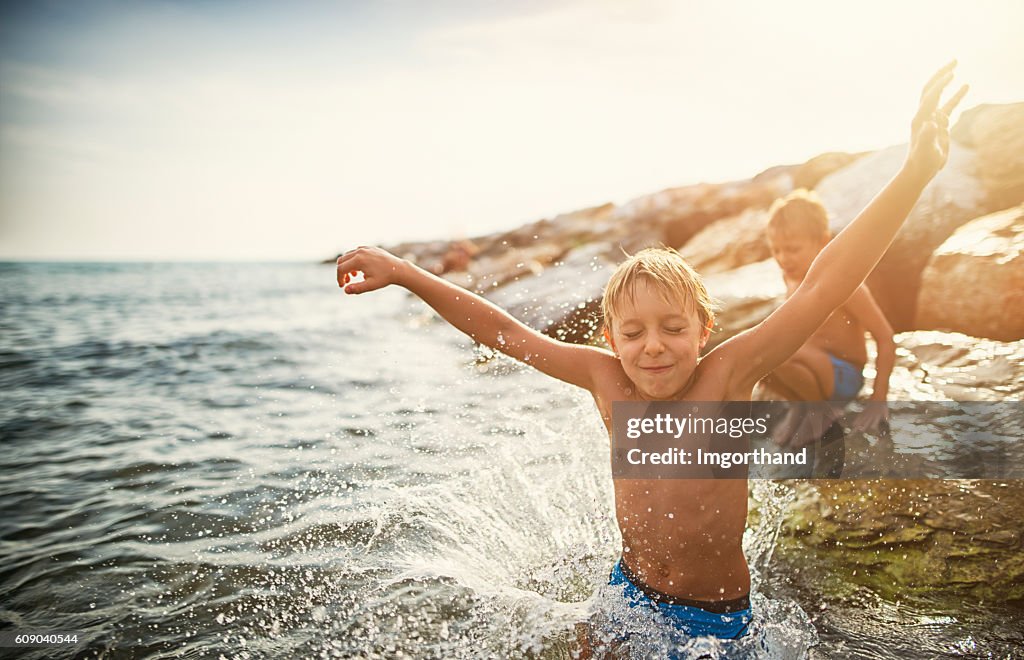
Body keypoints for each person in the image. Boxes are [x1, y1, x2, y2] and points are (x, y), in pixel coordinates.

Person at [336, 64, 966, 644]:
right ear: (610, 339)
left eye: (672, 327)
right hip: (628, 595)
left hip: (714, 621)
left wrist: (914, 171)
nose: (654, 346)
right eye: (633, 333)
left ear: (703, 329)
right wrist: (406, 273)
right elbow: (505, 333)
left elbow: (828, 279)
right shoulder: (604, 379)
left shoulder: (728, 372)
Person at [761, 189, 897, 449]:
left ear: (824, 242)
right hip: (813, 369)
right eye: (775, 250)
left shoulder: (845, 283)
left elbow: (886, 338)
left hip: (844, 377)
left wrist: (879, 399)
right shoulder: (790, 277)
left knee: (779, 351)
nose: (782, 258)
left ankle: (820, 412)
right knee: (758, 356)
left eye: (792, 249)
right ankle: (802, 407)